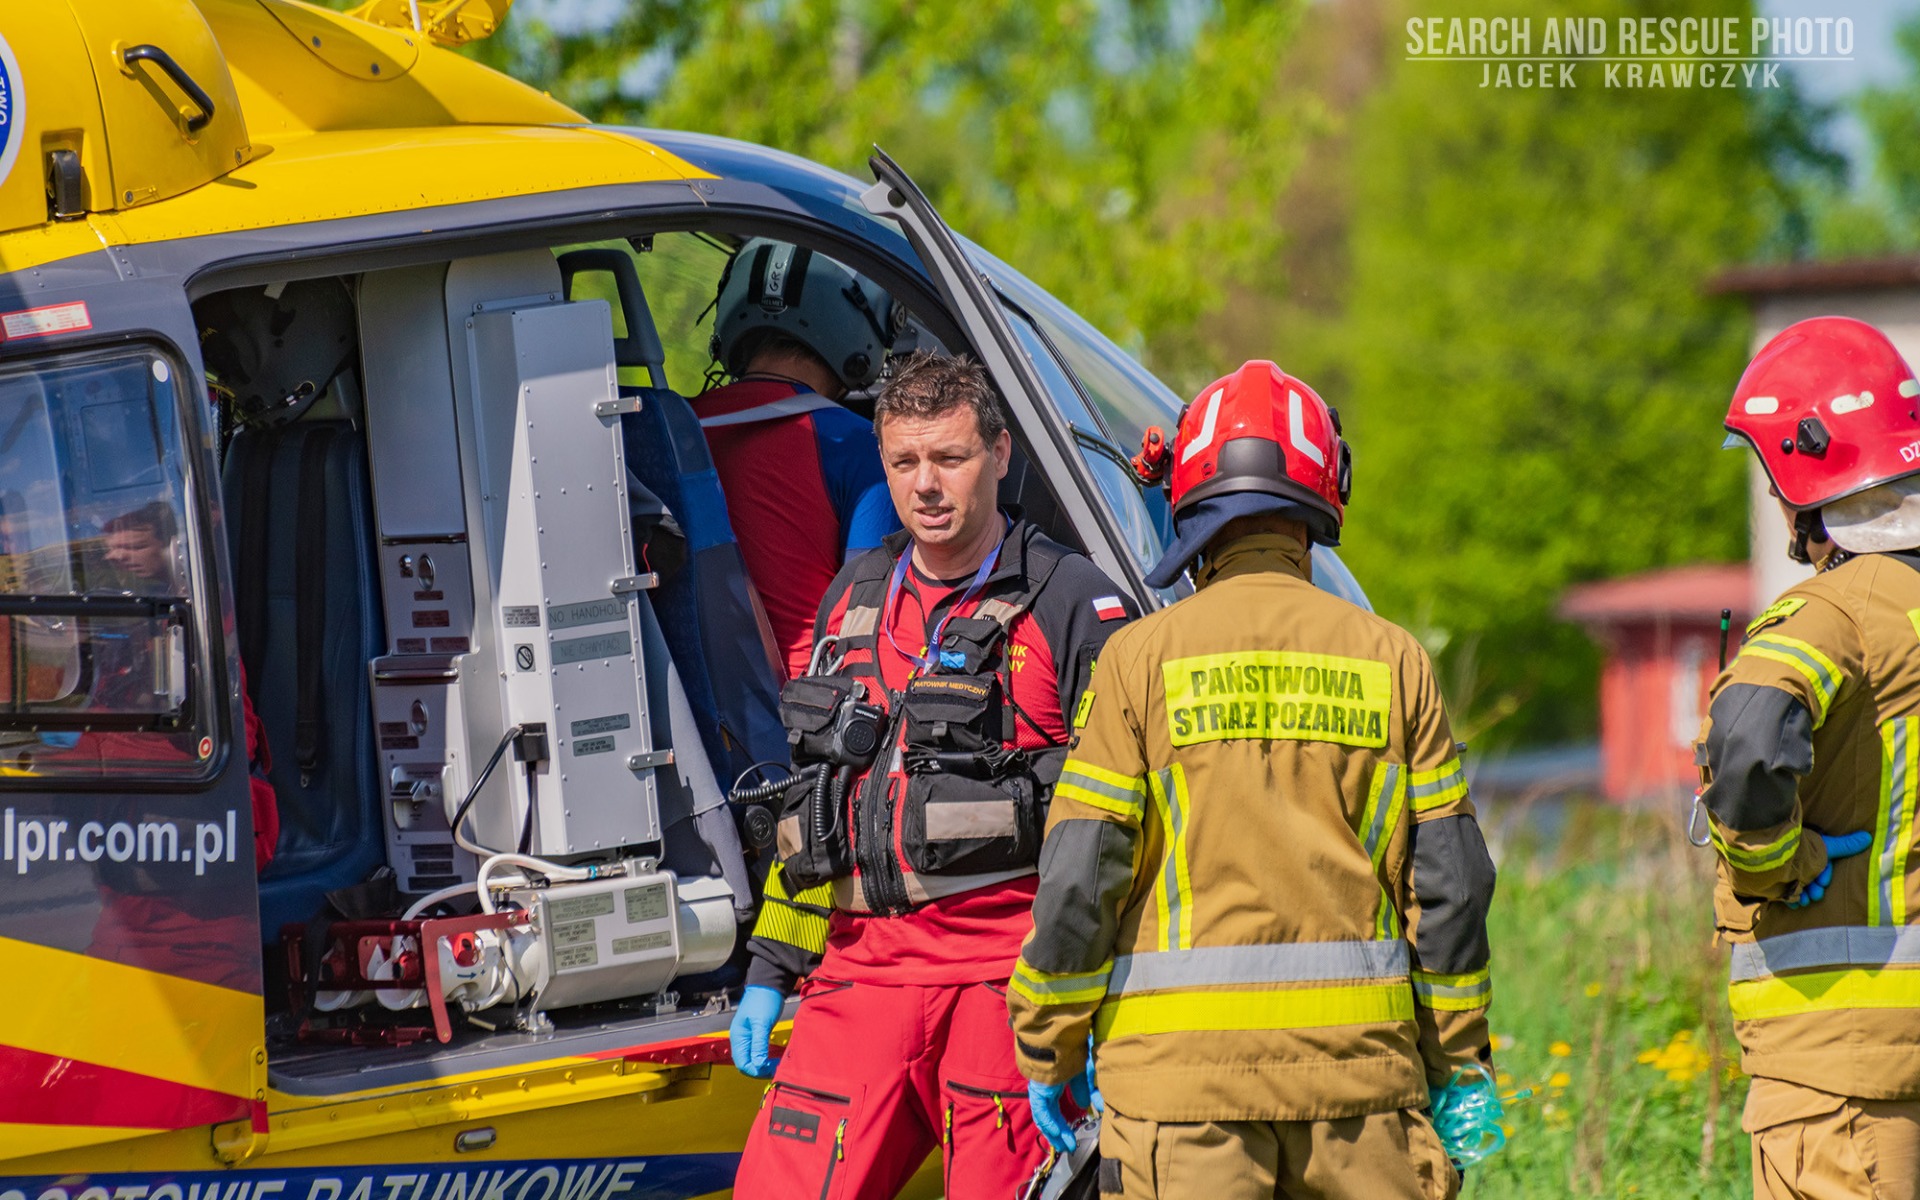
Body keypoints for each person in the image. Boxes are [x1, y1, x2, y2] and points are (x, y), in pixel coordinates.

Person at [1007, 361, 1497, 1200]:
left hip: (1182, 1105)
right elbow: (1450, 891)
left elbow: (1081, 879)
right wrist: (1461, 1065)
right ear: (1322, 497)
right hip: (1364, 1100)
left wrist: (1047, 1045)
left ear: (1189, 497)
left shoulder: (1139, 662)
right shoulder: (1395, 660)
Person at [727, 352, 1138, 1199]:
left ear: (1000, 452)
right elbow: (819, 807)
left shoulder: (1076, 606)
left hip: (1007, 980)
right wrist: (771, 971)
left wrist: (1088, 1014)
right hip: (859, 974)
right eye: (904, 462)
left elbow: (1125, 824)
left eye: (949, 458)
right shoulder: (856, 597)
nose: (926, 485)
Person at [1702, 316, 1920, 1200]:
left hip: (1841, 1071)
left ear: (1803, 468)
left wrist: (1772, 865)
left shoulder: (1836, 611)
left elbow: (1749, 744)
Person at [694, 238, 902, 681]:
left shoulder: (673, 425)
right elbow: (871, 613)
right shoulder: (859, 446)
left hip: (690, 705)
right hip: (798, 715)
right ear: (856, 328)